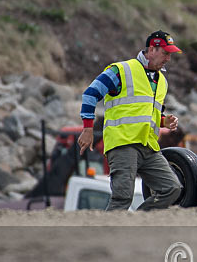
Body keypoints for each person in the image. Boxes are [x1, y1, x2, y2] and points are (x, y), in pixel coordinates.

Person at [78, 30, 184, 210]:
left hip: (148, 147)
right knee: (122, 198)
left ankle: (138, 223)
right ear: (151, 50)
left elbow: (145, 112)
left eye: (170, 55)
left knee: (172, 188)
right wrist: (88, 129)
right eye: (165, 53)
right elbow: (90, 94)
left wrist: (163, 121)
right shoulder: (121, 70)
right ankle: (106, 236)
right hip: (123, 144)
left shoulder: (162, 81)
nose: (168, 59)